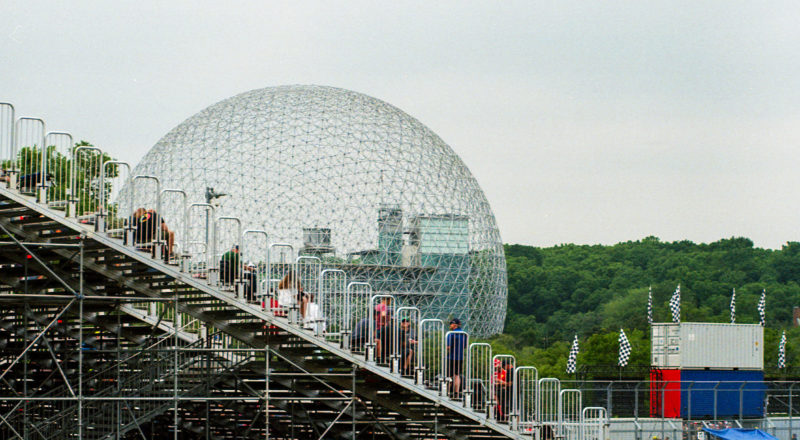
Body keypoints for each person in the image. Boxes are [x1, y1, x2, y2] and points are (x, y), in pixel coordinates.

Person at [446, 318, 468, 399]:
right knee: (457, 375)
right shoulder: (464, 334)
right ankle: (456, 392)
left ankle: (447, 391)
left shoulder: (451, 334)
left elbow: (448, 346)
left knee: (448, 376)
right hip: (460, 357)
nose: (450, 326)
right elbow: (465, 346)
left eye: (451, 324)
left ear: (454, 325)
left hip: (451, 357)